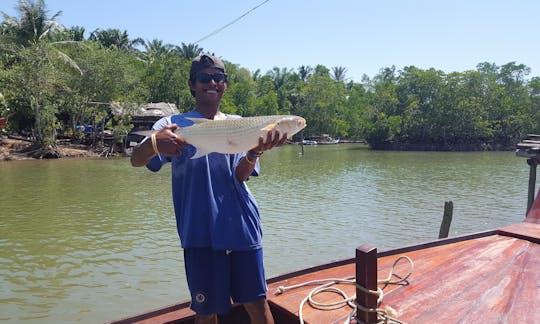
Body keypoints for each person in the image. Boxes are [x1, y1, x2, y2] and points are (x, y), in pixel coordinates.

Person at [130, 54, 285, 324]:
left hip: (241, 225)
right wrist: (153, 143)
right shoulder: (172, 125)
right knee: (206, 312)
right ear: (192, 84)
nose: (212, 83)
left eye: (218, 78)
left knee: (257, 304)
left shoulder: (239, 123)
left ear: (225, 84)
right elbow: (137, 161)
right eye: (204, 78)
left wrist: (255, 152)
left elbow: (240, 176)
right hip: (198, 229)